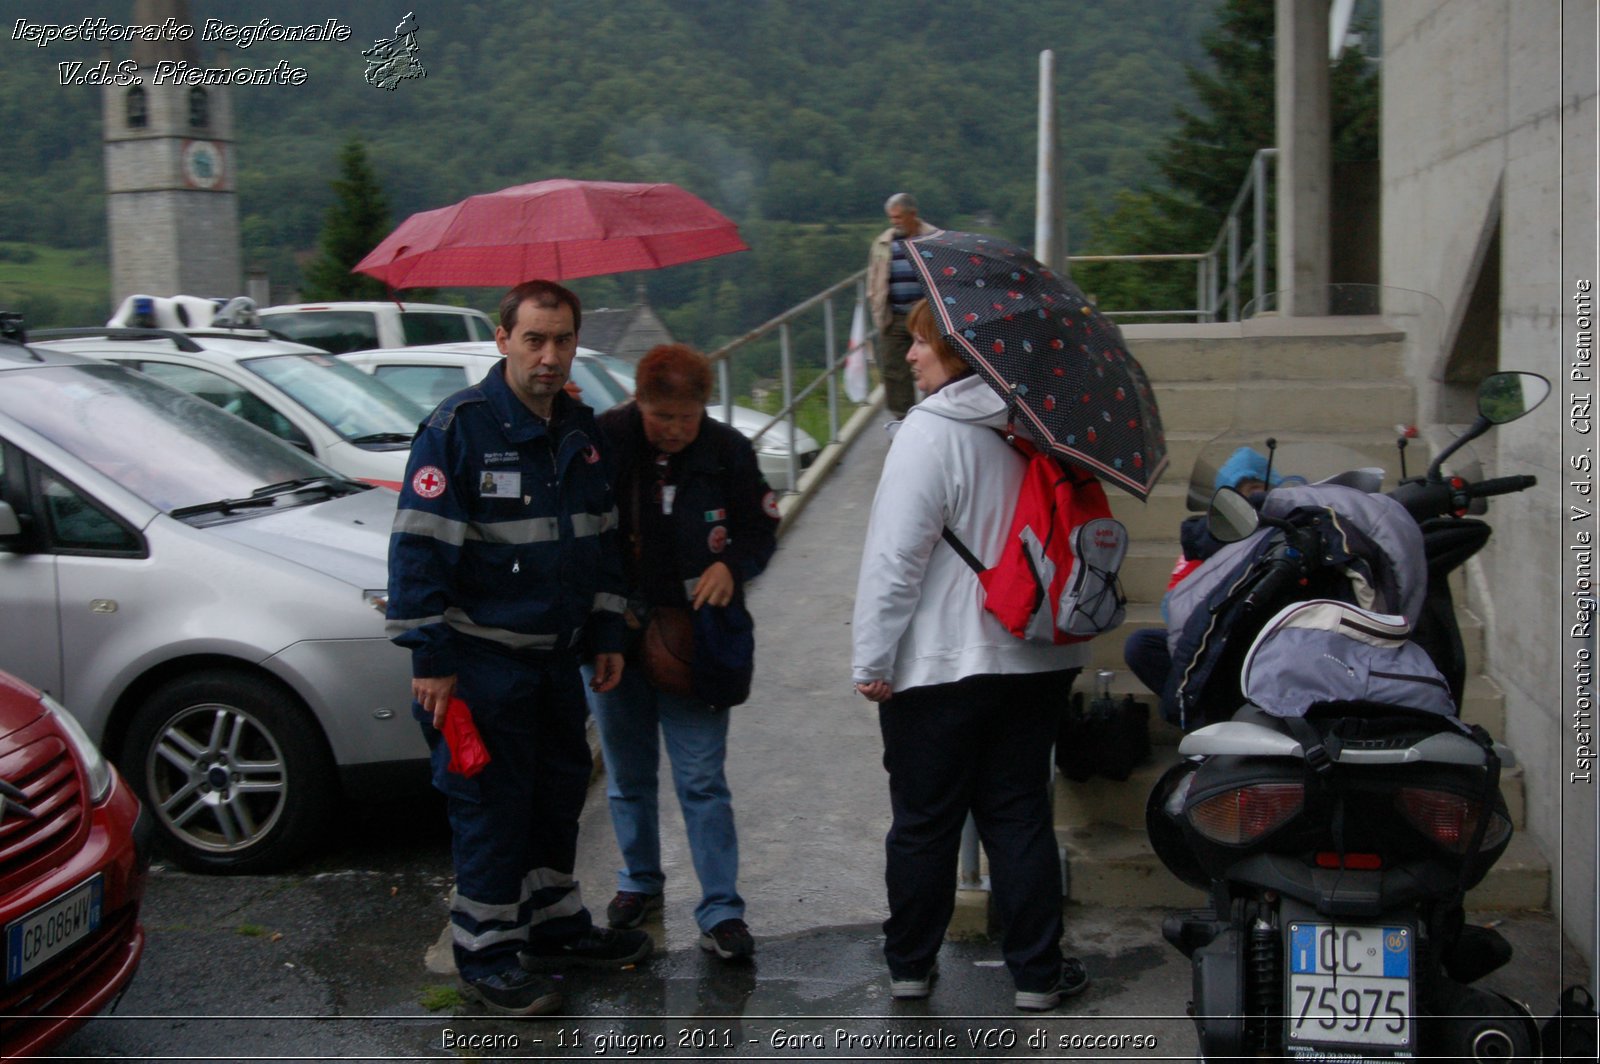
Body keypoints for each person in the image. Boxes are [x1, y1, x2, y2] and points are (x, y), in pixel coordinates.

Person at [386, 279, 652, 1016]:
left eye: (562, 339)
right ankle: (487, 954)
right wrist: (431, 659)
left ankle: (553, 926)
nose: (549, 355)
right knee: (492, 809)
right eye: (534, 339)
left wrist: (604, 633)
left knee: (556, 794)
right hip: (478, 666)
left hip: (555, 662)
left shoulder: (579, 430)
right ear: (502, 339)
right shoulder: (458, 430)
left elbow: (600, 548)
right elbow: (417, 553)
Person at [851, 298, 1091, 1012]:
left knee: (925, 821)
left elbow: (895, 561)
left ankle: (910, 967)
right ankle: (1037, 976)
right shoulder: (1036, 428)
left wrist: (871, 659)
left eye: (923, 343)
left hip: (941, 667)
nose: (912, 355)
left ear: (957, 351)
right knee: (1018, 817)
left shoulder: (928, 435)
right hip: (1036, 658)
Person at [585, 343, 779, 961]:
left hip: (697, 641)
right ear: (638, 401)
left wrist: (732, 564)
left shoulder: (728, 452)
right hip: (615, 635)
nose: (672, 431)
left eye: (685, 418)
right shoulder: (604, 441)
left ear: (703, 406)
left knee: (701, 778)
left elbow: (760, 527)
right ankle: (637, 881)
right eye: (660, 417)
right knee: (628, 771)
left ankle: (721, 908)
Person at [1123, 446, 1289, 701]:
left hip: (1268, 642)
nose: (1255, 498)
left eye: (1260, 488)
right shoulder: (1208, 538)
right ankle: (1193, 714)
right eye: (1245, 491)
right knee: (1141, 645)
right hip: (1212, 637)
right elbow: (1175, 604)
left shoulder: (1289, 534)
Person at [866, 192, 939, 418]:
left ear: (913, 214)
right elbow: (873, 277)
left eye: (898, 217)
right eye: (891, 218)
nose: (894, 222)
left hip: (926, 317)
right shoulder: (884, 242)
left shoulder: (933, 239)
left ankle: (934, 414)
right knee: (894, 370)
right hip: (895, 315)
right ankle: (902, 420)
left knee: (934, 364)